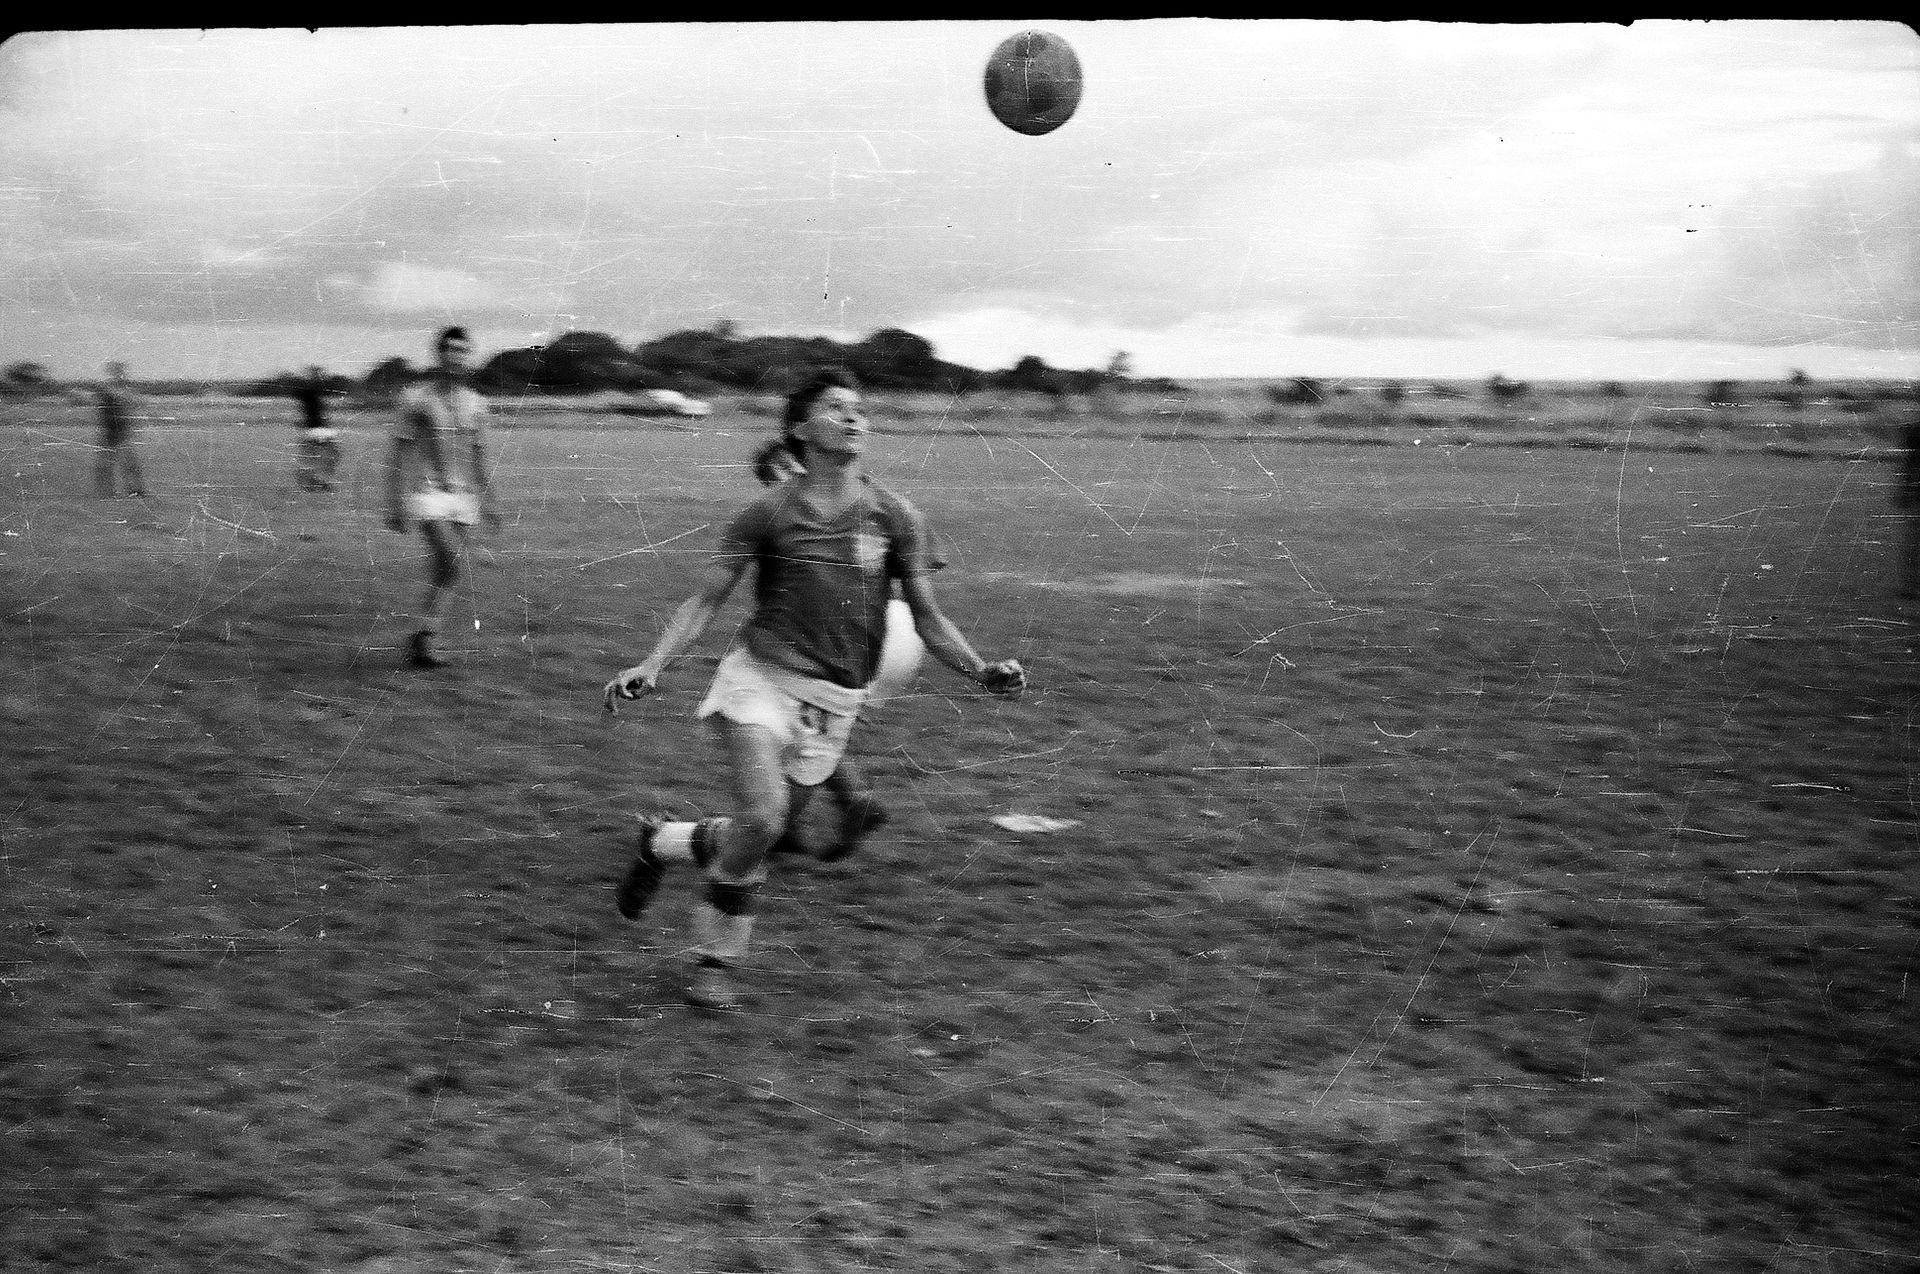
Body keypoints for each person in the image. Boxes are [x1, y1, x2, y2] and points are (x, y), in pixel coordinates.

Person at [602, 367, 1026, 1011]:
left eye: (859, 409)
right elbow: (705, 597)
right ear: (801, 429)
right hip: (760, 680)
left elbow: (929, 618)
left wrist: (981, 669)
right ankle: (714, 960)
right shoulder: (768, 511)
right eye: (835, 408)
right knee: (766, 819)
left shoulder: (895, 515)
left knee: (756, 831)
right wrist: (652, 663)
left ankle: (660, 842)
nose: (854, 417)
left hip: (836, 702)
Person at [384, 327, 499, 668]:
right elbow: (400, 453)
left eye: (462, 349)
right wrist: (395, 501)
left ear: (468, 356)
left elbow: (480, 457)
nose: (455, 354)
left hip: (463, 497)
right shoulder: (416, 399)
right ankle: (424, 641)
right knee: (450, 561)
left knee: (449, 572)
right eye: (449, 348)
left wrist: (490, 501)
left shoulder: (478, 404)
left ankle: (423, 639)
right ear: (439, 354)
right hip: (428, 492)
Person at [94, 362, 148, 497]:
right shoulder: (113, 389)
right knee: (114, 462)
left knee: (125, 462)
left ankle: (130, 489)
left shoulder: (114, 389)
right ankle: (113, 490)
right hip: (113, 429)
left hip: (118, 429)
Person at [292, 366, 343, 491]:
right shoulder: (311, 392)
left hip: (314, 430)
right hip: (318, 430)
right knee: (332, 455)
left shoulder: (308, 392)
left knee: (313, 456)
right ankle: (318, 480)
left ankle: (313, 480)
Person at [1898, 413, 1920, 600]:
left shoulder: (1914, 429)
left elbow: (1909, 464)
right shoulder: (1914, 430)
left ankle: (1911, 586)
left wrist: (1904, 490)